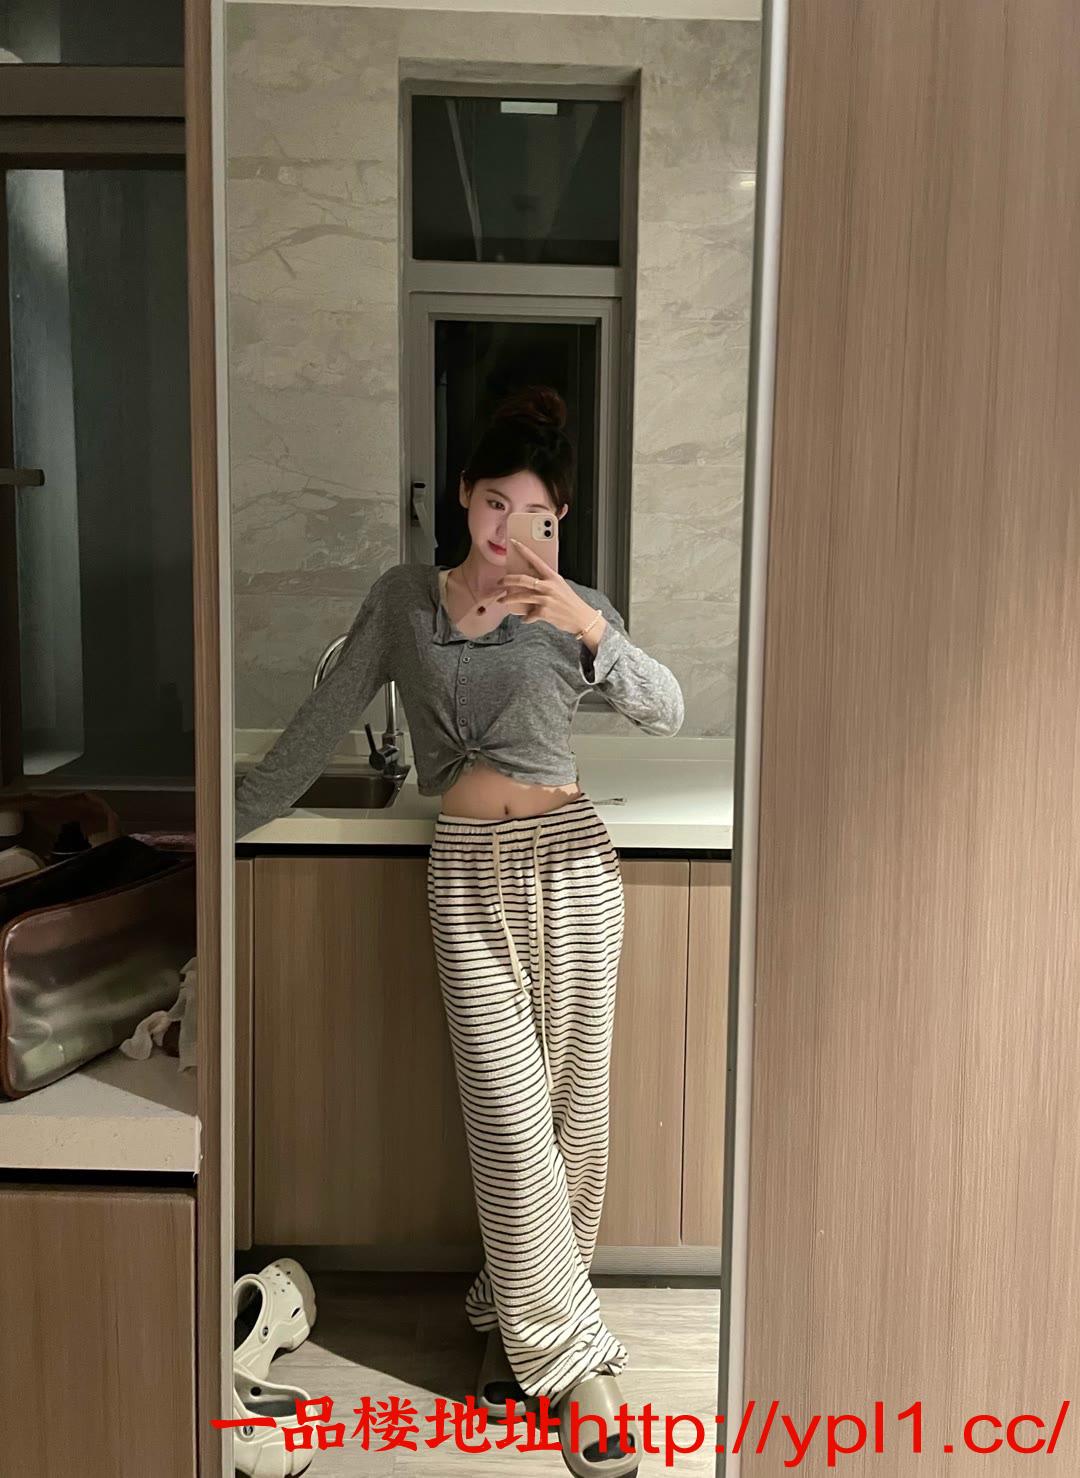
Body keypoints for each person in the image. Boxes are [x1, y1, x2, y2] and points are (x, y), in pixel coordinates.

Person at [234, 385, 683, 1476]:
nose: (507, 530)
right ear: (465, 498)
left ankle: (509, 1323)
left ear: (558, 521)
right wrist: (218, 821)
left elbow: (665, 708)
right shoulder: (405, 600)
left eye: (536, 514)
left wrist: (588, 626)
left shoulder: (576, 610)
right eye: (493, 503)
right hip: (468, 876)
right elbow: (321, 722)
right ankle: (578, 1368)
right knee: (510, 1127)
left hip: (573, 868)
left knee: (575, 1123)